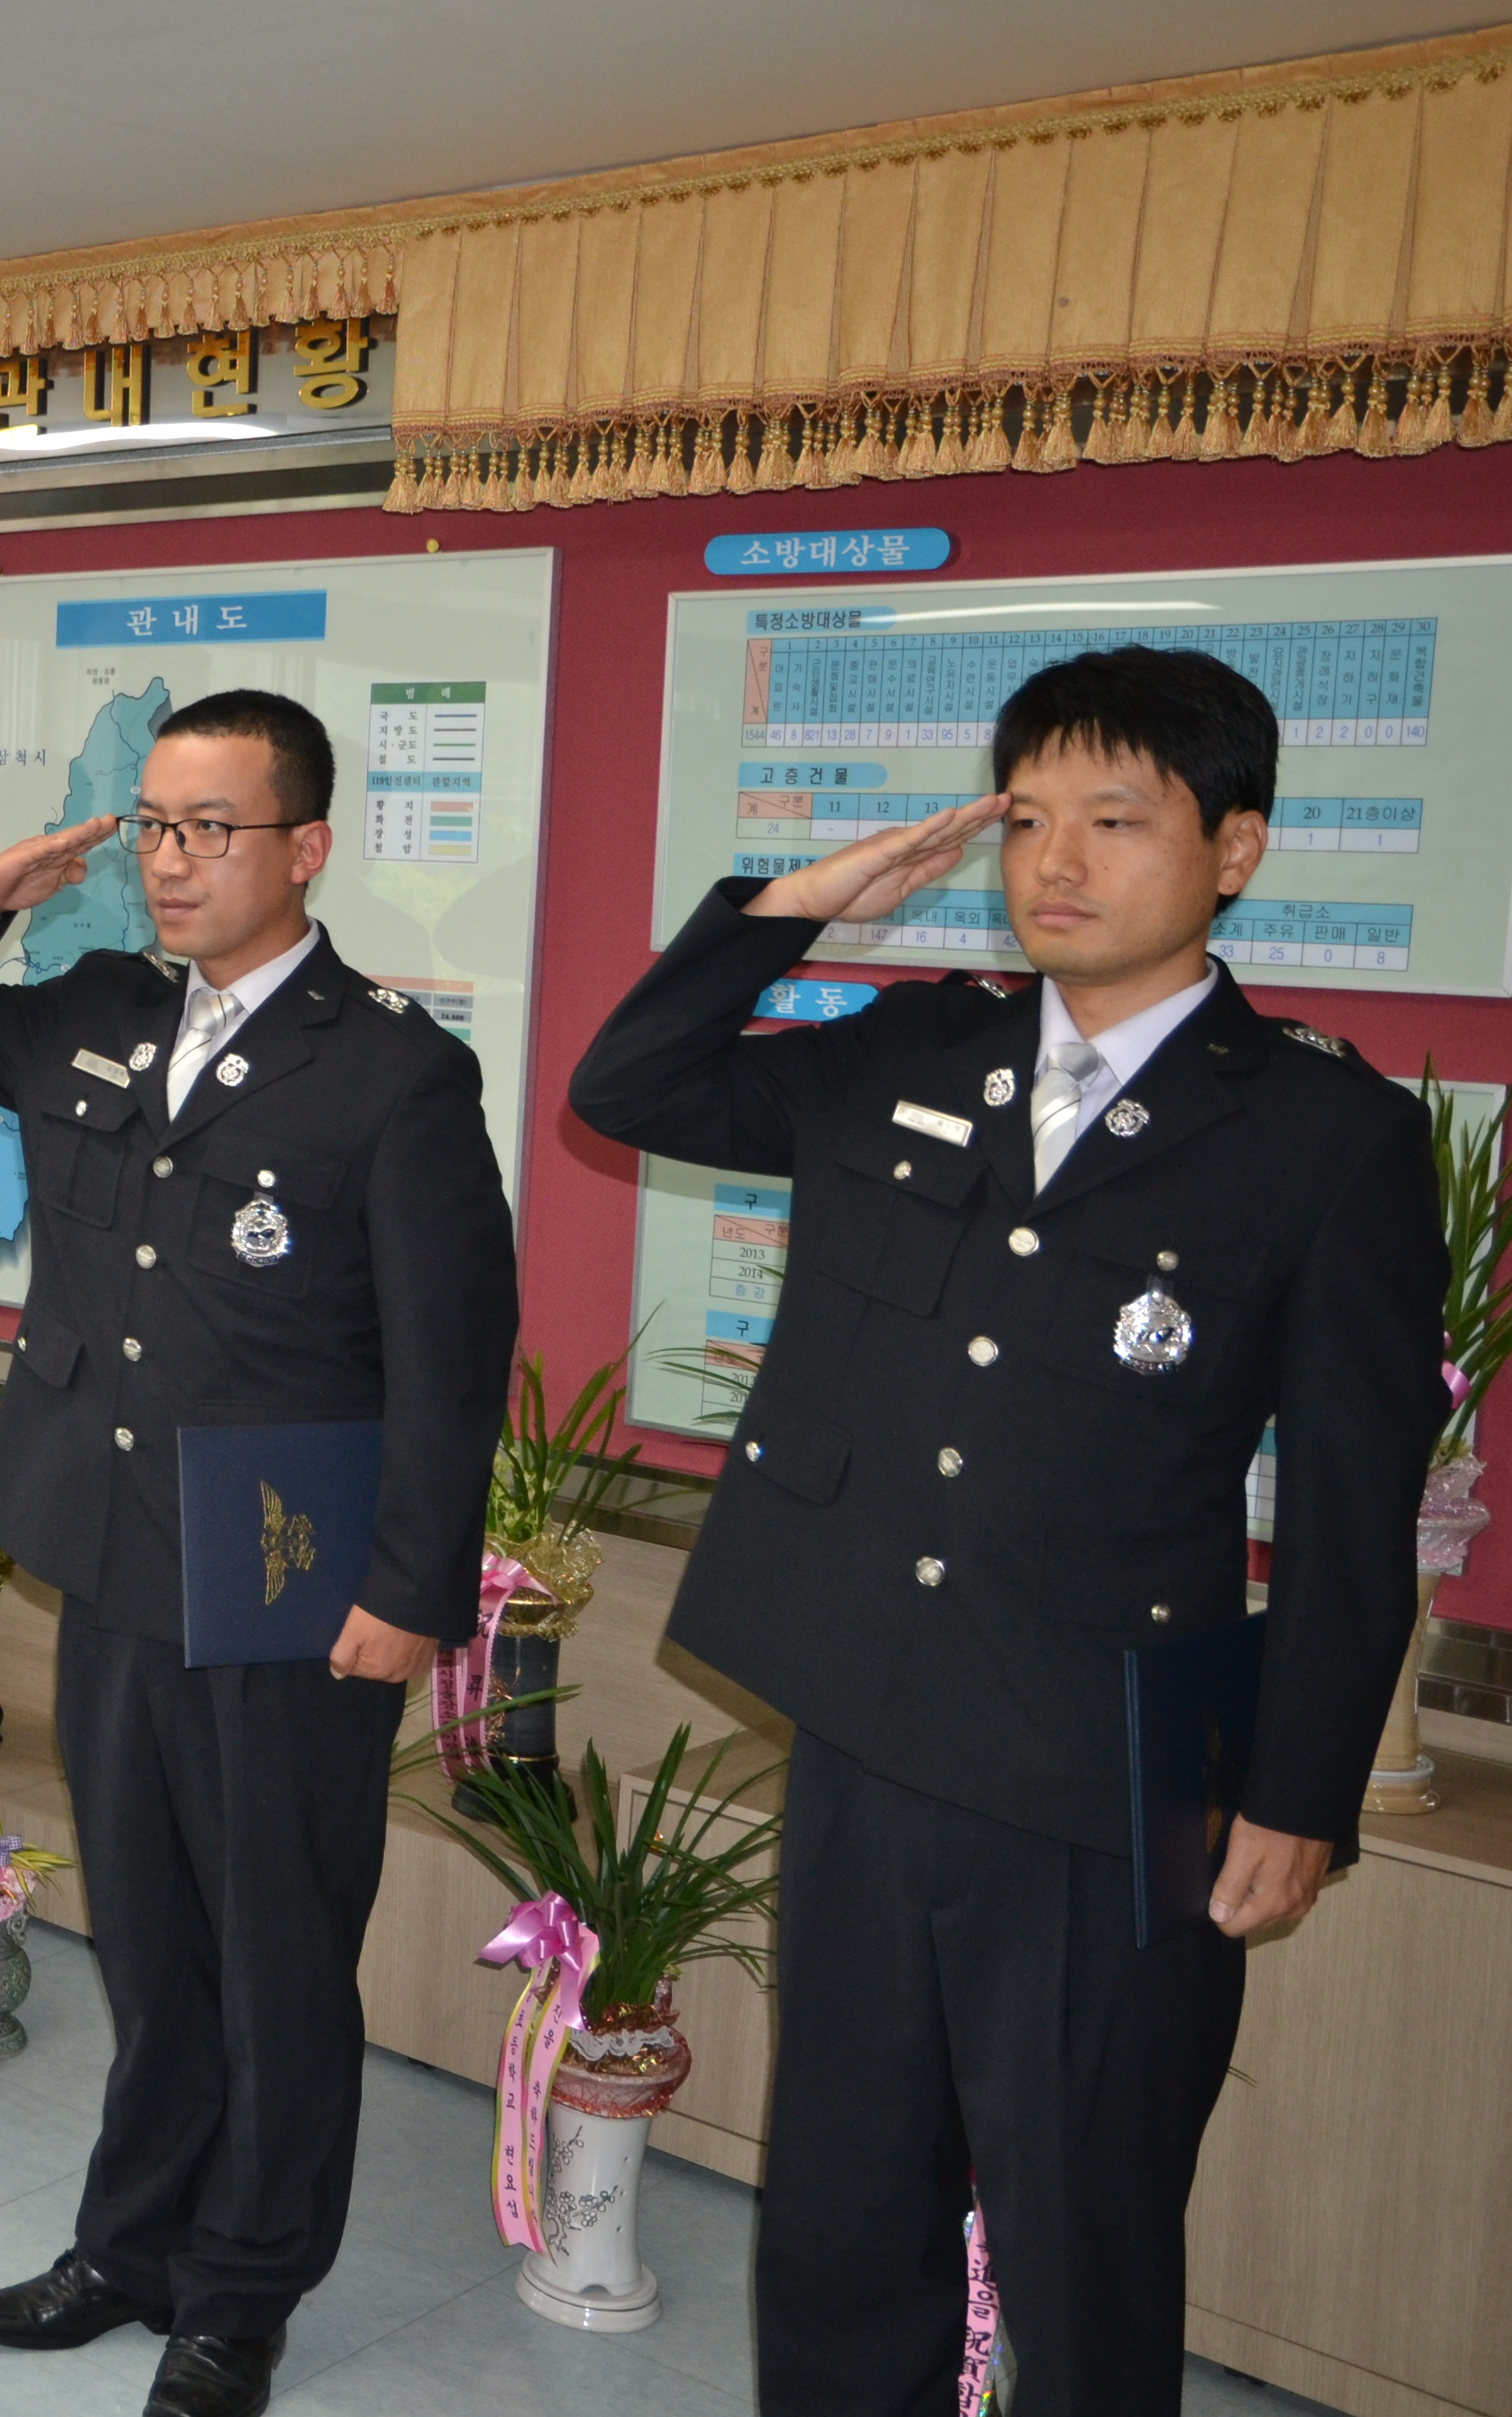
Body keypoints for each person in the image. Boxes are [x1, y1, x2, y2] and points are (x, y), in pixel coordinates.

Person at [566, 646, 1438, 2414]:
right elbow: (631, 1086)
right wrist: (790, 908)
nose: (1056, 861)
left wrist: (1297, 1790)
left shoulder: (1323, 1131)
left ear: (1235, 849)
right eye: (1029, 818)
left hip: (1098, 1774)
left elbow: (1357, 1500)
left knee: (1082, 2238)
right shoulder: (912, 1045)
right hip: (867, 1726)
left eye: (1115, 819)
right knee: (841, 2208)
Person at [0, 690, 514, 2417]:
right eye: (152, 824)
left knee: (274, 1958)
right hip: (111, 1551)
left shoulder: (393, 1070)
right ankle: (126, 2247)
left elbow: (452, 1359)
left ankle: (240, 2290)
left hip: (290, 1583)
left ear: (306, 849)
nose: (169, 859)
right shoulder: (96, 1008)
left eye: (211, 828)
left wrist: (411, 1591)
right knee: (146, 1943)